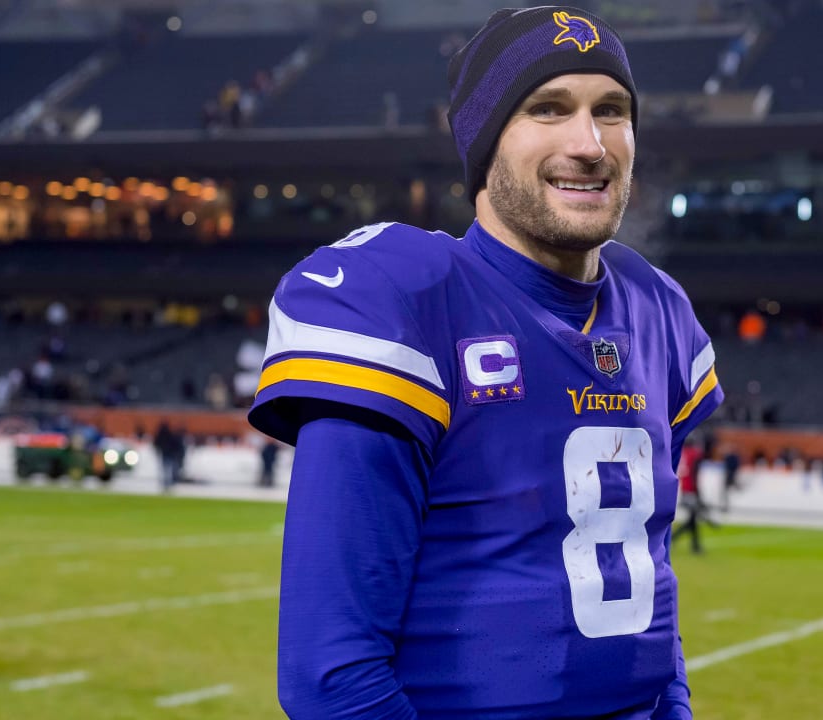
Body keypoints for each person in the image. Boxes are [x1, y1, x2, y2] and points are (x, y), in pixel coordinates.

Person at [248, 7, 723, 718]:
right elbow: (332, 676)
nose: (590, 143)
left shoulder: (658, 312)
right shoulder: (411, 295)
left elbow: (648, 591)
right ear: (485, 139)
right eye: (548, 108)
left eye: (612, 110)